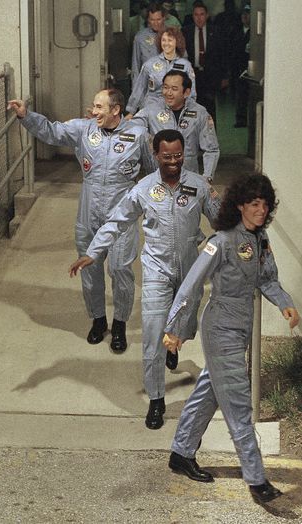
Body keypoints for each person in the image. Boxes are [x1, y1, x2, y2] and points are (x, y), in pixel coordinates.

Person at [162, 173, 300, 505]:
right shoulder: (221, 241)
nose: (261, 211)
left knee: (212, 388)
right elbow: (190, 285)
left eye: (265, 204)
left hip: (241, 327)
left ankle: (181, 452)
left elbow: (267, 279)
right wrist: (176, 328)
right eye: (254, 204)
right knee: (238, 404)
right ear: (239, 206)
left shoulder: (261, 240)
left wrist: (285, 304)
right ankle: (257, 479)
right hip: (221, 324)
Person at [69, 129, 220, 430]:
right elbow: (117, 221)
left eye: (179, 156)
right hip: (156, 272)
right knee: (152, 338)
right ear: (155, 156)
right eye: (167, 157)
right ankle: (156, 400)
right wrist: (93, 251)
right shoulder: (143, 188)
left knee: (186, 326)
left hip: (190, 273)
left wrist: (251, 238)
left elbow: (222, 220)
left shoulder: (198, 186)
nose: (174, 162)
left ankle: (174, 344)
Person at [7, 90, 152, 352]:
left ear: (116, 110)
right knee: (90, 269)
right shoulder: (83, 130)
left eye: (99, 107)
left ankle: (119, 324)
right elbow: (52, 131)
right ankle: (98, 320)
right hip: (89, 212)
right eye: (93, 106)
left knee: (120, 270)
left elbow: (153, 172)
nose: (93, 111)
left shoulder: (138, 136)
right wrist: (25, 116)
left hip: (122, 215)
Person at [132, 70, 219, 181]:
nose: (168, 93)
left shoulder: (200, 113)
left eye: (174, 89)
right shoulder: (151, 110)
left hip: (188, 179)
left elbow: (211, 149)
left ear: (186, 92)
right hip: (157, 180)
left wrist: (207, 177)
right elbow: (132, 129)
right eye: (165, 87)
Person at [126, 26, 197, 117]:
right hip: (152, 111)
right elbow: (139, 89)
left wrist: (188, 111)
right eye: (164, 40)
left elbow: (191, 92)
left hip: (176, 112)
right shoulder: (150, 64)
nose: (166, 43)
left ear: (177, 42)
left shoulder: (185, 66)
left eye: (170, 40)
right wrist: (131, 111)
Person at [183, 0, 230, 124]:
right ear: (192, 16)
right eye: (196, 15)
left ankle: (211, 137)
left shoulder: (217, 32)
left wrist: (225, 76)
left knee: (210, 109)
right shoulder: (186, 32)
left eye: (202, 14)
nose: (199, 18)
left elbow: (223, 55)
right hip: (193, 75)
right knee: (192, 109)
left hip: (210, 76)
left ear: (207, 15)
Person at [131, 2, 167, 81]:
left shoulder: (173, 35)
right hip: (148, 84)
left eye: (158, 19)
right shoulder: (140, 37)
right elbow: (136, 66)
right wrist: (136, 91)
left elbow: (183, 61)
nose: (156, 23)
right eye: (152, 20)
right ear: (148, 20)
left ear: (164, 18)